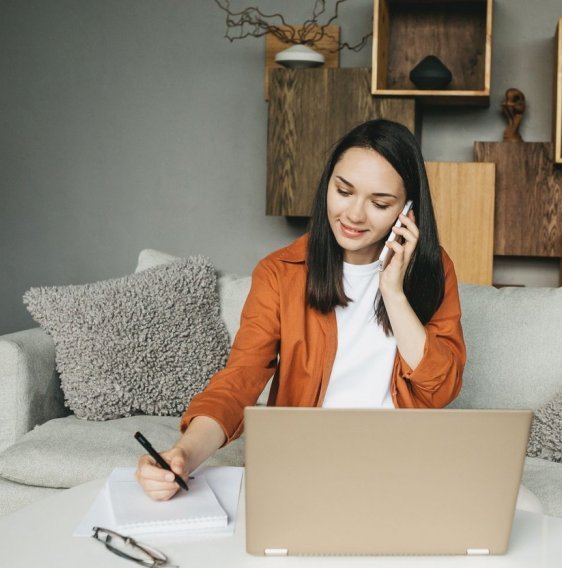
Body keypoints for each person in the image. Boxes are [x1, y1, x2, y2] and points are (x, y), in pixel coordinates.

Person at [135, 119, 467, 500]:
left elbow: (441, 388)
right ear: (327, 185)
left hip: (402, 462)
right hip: (308, 463)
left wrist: (393, 293)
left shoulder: (433, 269)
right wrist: (182, 456)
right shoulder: (280, 273)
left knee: (518, 510)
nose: (355, 215)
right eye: (344, 192)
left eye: (379, 203)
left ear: (407, 210)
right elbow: (239, 380)